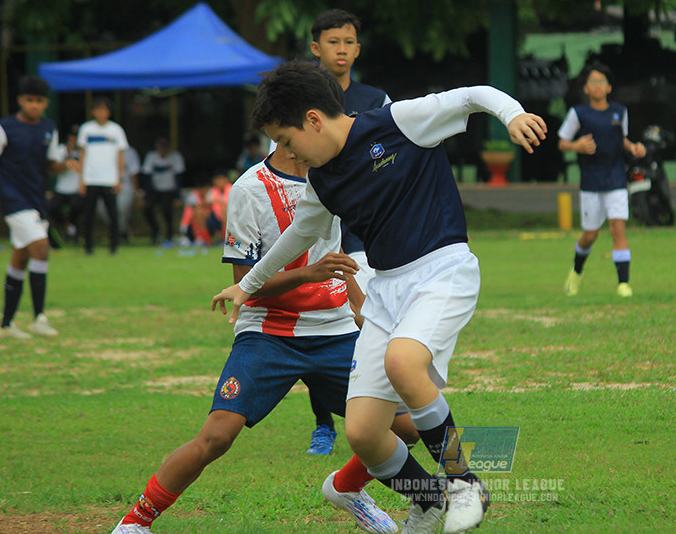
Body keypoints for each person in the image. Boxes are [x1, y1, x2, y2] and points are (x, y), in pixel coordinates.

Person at [212, 60, 547, 534]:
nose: (287, 153)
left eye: (286, 140)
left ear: (313, 119)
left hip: (442, 271)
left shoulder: (397, 122)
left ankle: (463, 482)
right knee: (364, 432)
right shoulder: (323, 179)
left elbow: (472, 94)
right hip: (386, 290)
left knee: (403, 363)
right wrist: (246, 286)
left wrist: (512, 115)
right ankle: (428, 498)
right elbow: (295, 237)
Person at [110, 142, 415, 534]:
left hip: (334, 331)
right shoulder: (249, 189)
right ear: (290, 135)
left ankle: (348, 488)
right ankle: (135, 522)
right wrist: (308, 274)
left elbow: (335, 253)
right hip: (269, 333)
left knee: (406, 426)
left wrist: (358, 306)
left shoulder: (330, 173)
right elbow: (245, 283)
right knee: (217, 436)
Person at [307, 7, 392, 454]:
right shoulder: (301, 96)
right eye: (332, 42)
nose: (341, 50)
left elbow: (395, 154)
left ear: (358, 49)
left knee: (367, 324)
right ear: (315, 47)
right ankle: (323, 423)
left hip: (363, 229)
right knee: (321, 329)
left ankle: (377, 415)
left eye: (348, 42)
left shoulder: (376, 99)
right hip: (317, 227)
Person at [0, 76, 70, 339]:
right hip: (13, 200)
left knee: (20, 259)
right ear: (20, 100)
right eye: (29, 100)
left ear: (45, 103)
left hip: (36, 201)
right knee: (41, 247)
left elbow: (51, 164)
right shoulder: (3, 128)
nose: (34, 105)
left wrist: (67, 164)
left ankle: (6, 325)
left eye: (39, 101)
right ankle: (39, 318)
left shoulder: (49, 128)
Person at [558, 62, 646, 298]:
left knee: (618, 227)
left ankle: (623, 284)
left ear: (609, 87)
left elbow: (622, 139)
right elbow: (563, 142)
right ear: (586, 88)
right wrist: (577, 146)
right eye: (593, 82)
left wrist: (633, 147)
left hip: (616, 177)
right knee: (591, 234)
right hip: (591, 180)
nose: (597, 86)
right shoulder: (578, 113)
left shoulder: (620, 112)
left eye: (602, 82)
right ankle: (577, 271)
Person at [78, 97, 128, 255]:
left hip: (109, 180)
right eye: (98, 109)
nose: (101, 113)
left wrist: (119, 179)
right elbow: (82, 155)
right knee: (88, 215)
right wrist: (81, 180)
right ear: (93, 111)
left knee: (112, 215)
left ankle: (114, 246)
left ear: (109, 112)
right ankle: (88, 247)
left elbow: (120, 157)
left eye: (104, 109)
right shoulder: (86, 129)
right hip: (91, 179)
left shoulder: (116, 130)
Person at [141, 137, 185, 246]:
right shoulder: (151, 156)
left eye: (164, 147)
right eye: (160, 147)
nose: (162, 149)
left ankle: (169, 234)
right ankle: (155, 230)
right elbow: (147, 176)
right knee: (146, 208)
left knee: (167, 210)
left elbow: (179, 177)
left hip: (170, 190)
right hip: (154, 189)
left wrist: (177, 196)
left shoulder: (175, 157)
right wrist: (145, 195)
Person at [46, 125, 83, 245]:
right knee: (51, 208)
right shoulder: (61, 149)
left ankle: (73, 229)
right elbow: (55, 170)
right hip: (62, 189)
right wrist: (67, 158)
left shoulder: (85, 151)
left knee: (77, 206)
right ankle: (67, 227)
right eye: (73, 137)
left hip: (77, 188)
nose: (75, 140)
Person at [98, 144, 139, 244]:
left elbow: (134, 173)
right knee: (101, 209)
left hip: (125, 184)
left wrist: (136, 193)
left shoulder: (130, 152)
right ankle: (121, 230)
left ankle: (119, 232)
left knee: (121, 208)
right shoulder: (102, 150)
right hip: (106, 184)